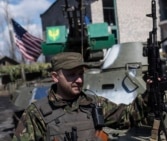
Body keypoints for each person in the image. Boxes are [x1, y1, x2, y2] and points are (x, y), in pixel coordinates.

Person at [12, 52, 149, 141]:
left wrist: (150, 96)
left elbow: (127, 116)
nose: (79, 80)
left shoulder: (94, 104)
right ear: (55, 77)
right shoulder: (36, 114)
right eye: (71, 75)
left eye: (80, 74)